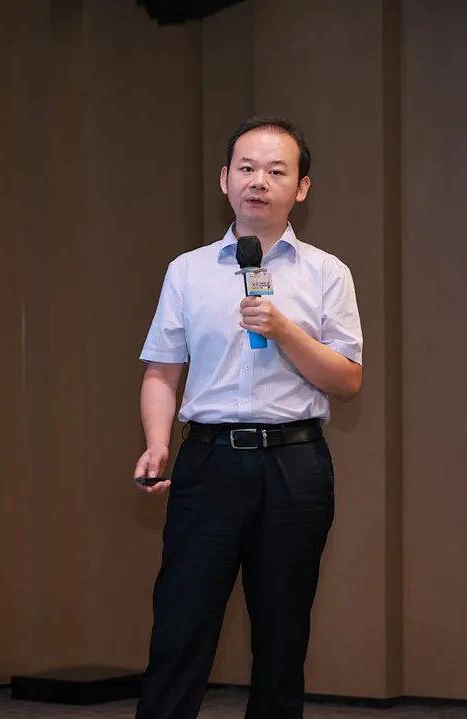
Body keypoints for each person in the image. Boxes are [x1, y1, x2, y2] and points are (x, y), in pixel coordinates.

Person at [134, 116, 363, 719]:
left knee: (283, 637)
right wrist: (157, 442)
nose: (259, 181)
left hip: (295, 465)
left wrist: (284, 329)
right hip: (208, 461)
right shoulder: (188, 270)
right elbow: (162, 370)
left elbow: (347, 380)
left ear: (301, 188)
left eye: (276, 171)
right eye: (247, 168)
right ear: (225, 179)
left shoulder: (326, 273)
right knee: (181, 626)